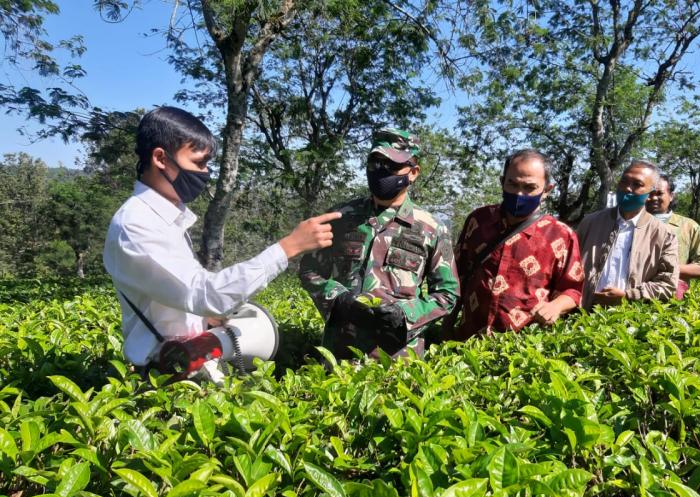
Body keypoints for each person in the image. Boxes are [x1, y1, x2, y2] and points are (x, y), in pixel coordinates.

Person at [104, 106, 341, 370]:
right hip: (164, 370)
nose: (205, 173)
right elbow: (205, 293)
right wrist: (288, 247)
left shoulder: (163, 219)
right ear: (161, 158)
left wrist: (204, 320)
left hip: (185, 360)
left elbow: (175, 296)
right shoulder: (136, 224)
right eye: (198, 162)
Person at [299, 128, 459, 360]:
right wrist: (338, 299)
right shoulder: (340, 217)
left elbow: (448, 293)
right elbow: (309, 269)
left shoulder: (433, 228)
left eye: (392, 166)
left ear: (413, 172)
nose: (381, 171)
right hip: (338, 358)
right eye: (374, 163)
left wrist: (405, 315)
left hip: (399, 363)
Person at [446, 149, 583, 340]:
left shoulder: (560, 234)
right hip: (468, 341)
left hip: (523, 347)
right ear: (502, 182)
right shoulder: (479, 220)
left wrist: (555, 306)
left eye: (529, 187)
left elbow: (573, 289)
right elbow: (456, 275)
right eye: (513, 184)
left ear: (547, 190)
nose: (519, 193)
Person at [576, 160, 678, 309]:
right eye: (624, 181)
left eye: (637, 184)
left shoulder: (664, 235)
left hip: (629, 320)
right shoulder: (590, 223)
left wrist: (628, 296)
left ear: (650, 193)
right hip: (583, 314)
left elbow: (668, 284)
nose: (627, 188)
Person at [645, 174, 700, 299]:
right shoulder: (629, 225)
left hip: (673, 301)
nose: (653, 198)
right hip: (634, 300)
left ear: (671, 196)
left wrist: (664, 269)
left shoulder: (689, 227)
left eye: (659, 193)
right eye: (649, 193)